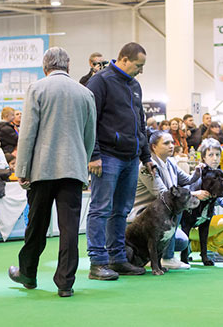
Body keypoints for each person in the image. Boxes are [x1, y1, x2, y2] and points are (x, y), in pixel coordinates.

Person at [9, 47, 97, 298]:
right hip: (72, 169)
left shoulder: (37, 89)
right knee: (69, 229)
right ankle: (65, 283)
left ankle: (28, 273)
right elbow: (89, 135)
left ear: (44, 67)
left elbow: (27, 133)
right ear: (68, 66)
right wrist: (82, 163)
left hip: (42, 169)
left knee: (36, 224)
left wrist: (22, 169)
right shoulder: (85, 93)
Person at [86, 42, 152, 281]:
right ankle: (97, 262)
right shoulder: (100, 82)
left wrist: (146, 156)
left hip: (131, 158)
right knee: (100, 209)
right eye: (138, 65)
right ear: (124, 59)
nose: (141, 71)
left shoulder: (135, 85)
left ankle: (118, 258)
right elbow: (90, 121)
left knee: (122, 210)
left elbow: (140, 122)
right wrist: (94, 155)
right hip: (107, 156)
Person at [133, 130, 204, 270]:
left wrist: (197, 171)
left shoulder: (170, 162)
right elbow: (162, 194)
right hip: (142, 216)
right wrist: (193, 195)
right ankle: (167, 258)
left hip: (159, 214)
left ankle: (154, 257)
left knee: (182, 241)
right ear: (154, 147)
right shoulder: (146, 166)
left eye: (172, 142)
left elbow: (187, 180)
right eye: (166, 143)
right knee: (177, 206)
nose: (171, 145)